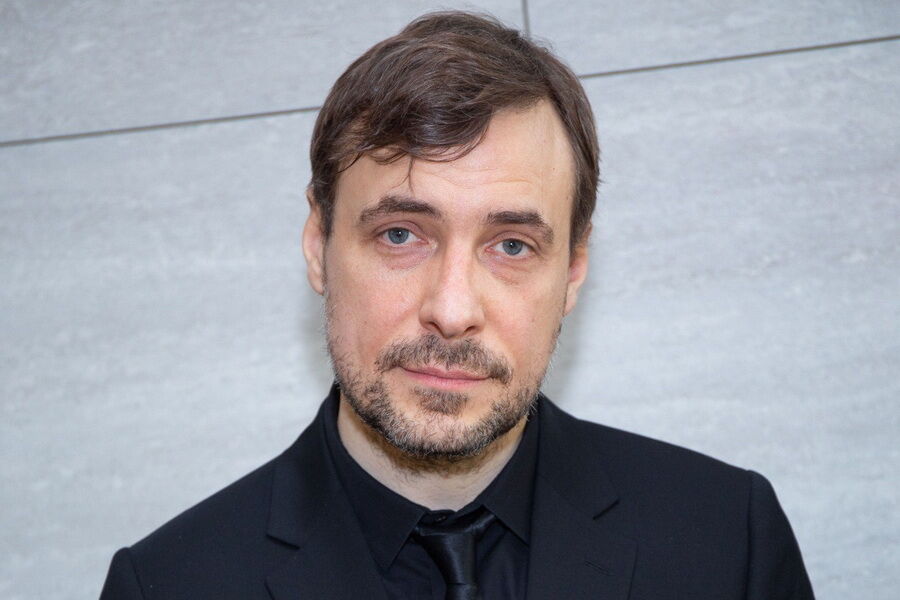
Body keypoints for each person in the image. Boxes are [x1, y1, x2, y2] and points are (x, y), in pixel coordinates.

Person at [100, 11, 814, 600]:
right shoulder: (166, 586)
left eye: (511, 246)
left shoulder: (730, 543)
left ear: (573, 271)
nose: (451, 309)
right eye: (401, 234)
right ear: (319, 245)